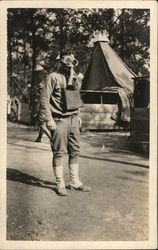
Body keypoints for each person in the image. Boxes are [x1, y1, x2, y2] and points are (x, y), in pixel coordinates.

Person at [39, 50, 91, 196]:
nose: (70, 63)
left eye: (72, 61)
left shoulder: (74, 77)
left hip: (73, 119)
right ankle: (60, 183)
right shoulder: (53, 77)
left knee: (75, 151)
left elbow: (75, 96)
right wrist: (49, 119)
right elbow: (44, 99)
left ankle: (74, 182)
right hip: (59, 120)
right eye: (67, 60)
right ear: (60, 61)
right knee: (59, 152)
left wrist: (77, 114)